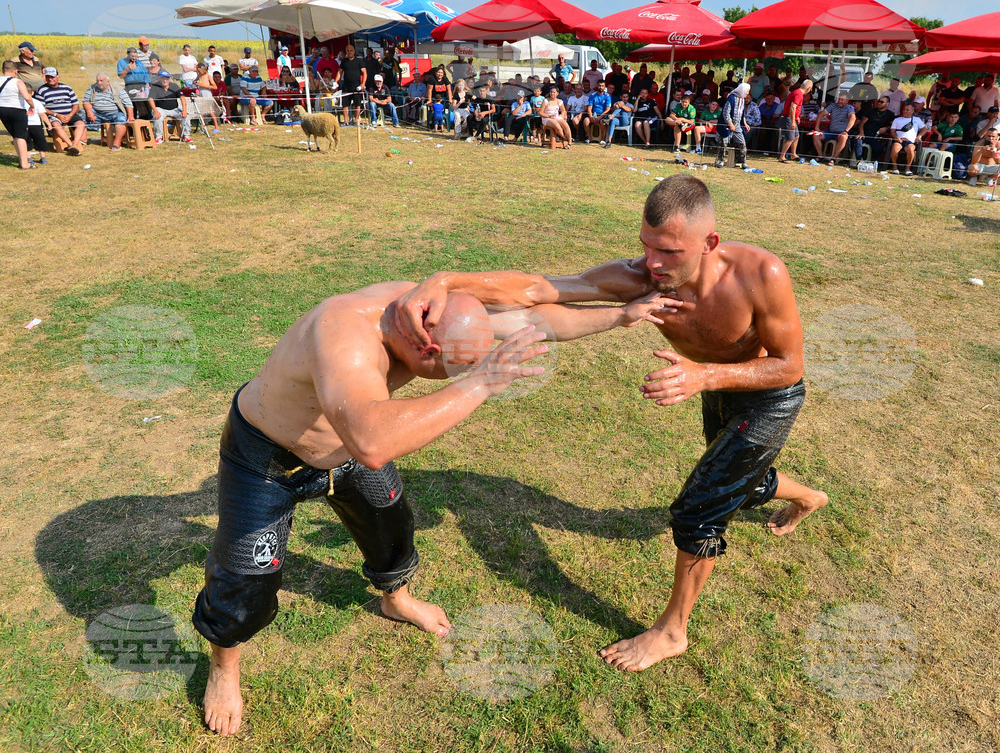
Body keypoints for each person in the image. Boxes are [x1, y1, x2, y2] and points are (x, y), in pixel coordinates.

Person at [193, 278, 670, 736]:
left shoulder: (434, 312)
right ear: (428, 349)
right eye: (450, 370)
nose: (452, 378)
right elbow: (373, 441)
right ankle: (224, 668)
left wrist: (619, 316)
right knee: (245, 580)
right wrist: (479, 384)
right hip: (268, 458)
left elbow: (530, 316)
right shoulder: (344, 332)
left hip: (347, 448)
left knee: (392, 529)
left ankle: (395, 599)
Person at [396, 174, 827, 674]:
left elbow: (789, 365)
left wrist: (704, 375)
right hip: (713, 384)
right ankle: (807, 496)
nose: (653, 263)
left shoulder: (760, 273)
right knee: (739, 483)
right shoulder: (641, 277)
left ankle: (671, 632)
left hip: (767, 394)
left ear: (709, 243)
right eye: (646, 247)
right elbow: (539, 289)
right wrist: (445, 281)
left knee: (700, 508)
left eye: (668, 251)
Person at [34, 67, 87, 155]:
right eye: (48, 77)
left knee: (81, 124)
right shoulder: (41, 90)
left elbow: (76, 105)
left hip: (70, 114)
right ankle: (70, 145)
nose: (50, 79)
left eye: (52, 77)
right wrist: (56, 115)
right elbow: (42, 108)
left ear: (58, 77)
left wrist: (70, 115)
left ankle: (75, 144)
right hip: (54, 116)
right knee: (56, 125)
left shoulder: (67, 88)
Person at [0, 59, 38, 169]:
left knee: (15, 136)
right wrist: (32, 106)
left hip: (2, 109)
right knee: (21, 136)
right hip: (17, 110)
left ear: (3, 70)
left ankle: (22, 159)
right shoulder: (18, 82)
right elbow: (27, 97)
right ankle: (24, 163)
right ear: (16, 71)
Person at [82, 73, 135, 151]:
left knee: (121, 118)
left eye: (101, 80)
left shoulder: (117, 89)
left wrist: (130, 116)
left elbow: (128, 103)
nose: (99, 83)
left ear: (108, 81)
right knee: (81, 114)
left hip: (114, 113)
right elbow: (86, 102)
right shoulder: (92, 88)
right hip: (97, 113)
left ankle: (116, 144)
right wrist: (89, 112)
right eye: (97, 81)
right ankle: (82, 140)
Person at [148, 69, 191, 143]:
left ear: (169, 79)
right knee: (157, 117)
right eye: (163, 78)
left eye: (167, 78)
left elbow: (182, 98)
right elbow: (150, 99)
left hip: (174, 109)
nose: (165, 80)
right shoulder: (155, 86)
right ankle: (158, 137)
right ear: (159, 78)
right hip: (161, 109)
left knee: (186, 116)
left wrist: (184, 110)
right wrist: (155, 111)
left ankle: (186, 135)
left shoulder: (174, 86)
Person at [812, 92, 856, 165]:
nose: (839, 101)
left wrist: (846, 131)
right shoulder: (833, 106)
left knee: (843, 137)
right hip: (830, 131)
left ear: (847, 100)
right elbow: (821, 114)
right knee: (815, 135)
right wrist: (817, 127)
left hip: (841, 132)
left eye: (842, 99)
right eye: (839, 99)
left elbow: (853, 118)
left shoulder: (850, 108)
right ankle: (820, 156)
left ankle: (833, 158)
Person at [715, 83, 751, 168]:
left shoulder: (742, 99)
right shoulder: (731, 98)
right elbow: (725, 112)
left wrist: (745, 123)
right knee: (723, 143)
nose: (747, 93)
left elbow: (741, 113)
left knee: (741, 143)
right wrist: (730, 124)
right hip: (726, 125)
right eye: (746, 91)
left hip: (737, 124)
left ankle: (742, 161)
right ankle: (720, 161)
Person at [776, 79, 813, 163]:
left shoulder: (797, 92)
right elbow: (792, 107)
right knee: (790, 138)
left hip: (792, 117)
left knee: (796, 136)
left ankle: (793, 154)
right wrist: (793, 121)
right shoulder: (798, 94)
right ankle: (782, 156)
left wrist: (797, 117)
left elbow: (795, 108)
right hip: (789, 118)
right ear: (809, 88)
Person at [888, 102, 926, 175]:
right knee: (895, 147)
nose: (905, 111)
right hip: (899, 140)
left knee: (911, 149)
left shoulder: (917, 119)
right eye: (904, 109)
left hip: (910, 141)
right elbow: (892, 131)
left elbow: (924, 129)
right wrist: (896, 137)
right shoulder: (897, 120)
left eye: (907, 110)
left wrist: (919, 136)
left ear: (912, 111)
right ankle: (895, 168)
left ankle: (908, 168)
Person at [334, 44, 367, 126]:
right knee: (345, 104)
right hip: (346, 86)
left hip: (357, 86)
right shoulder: (344, 61)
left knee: (357, 104)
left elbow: (365, 73)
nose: (349, 52)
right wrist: (335, 82)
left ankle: (356, 121)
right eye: (348, 51)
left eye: (351, 50)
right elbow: (339, 72)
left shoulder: (359, 61)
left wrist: (363, 84)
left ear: (354, 51)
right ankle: (346, 121)